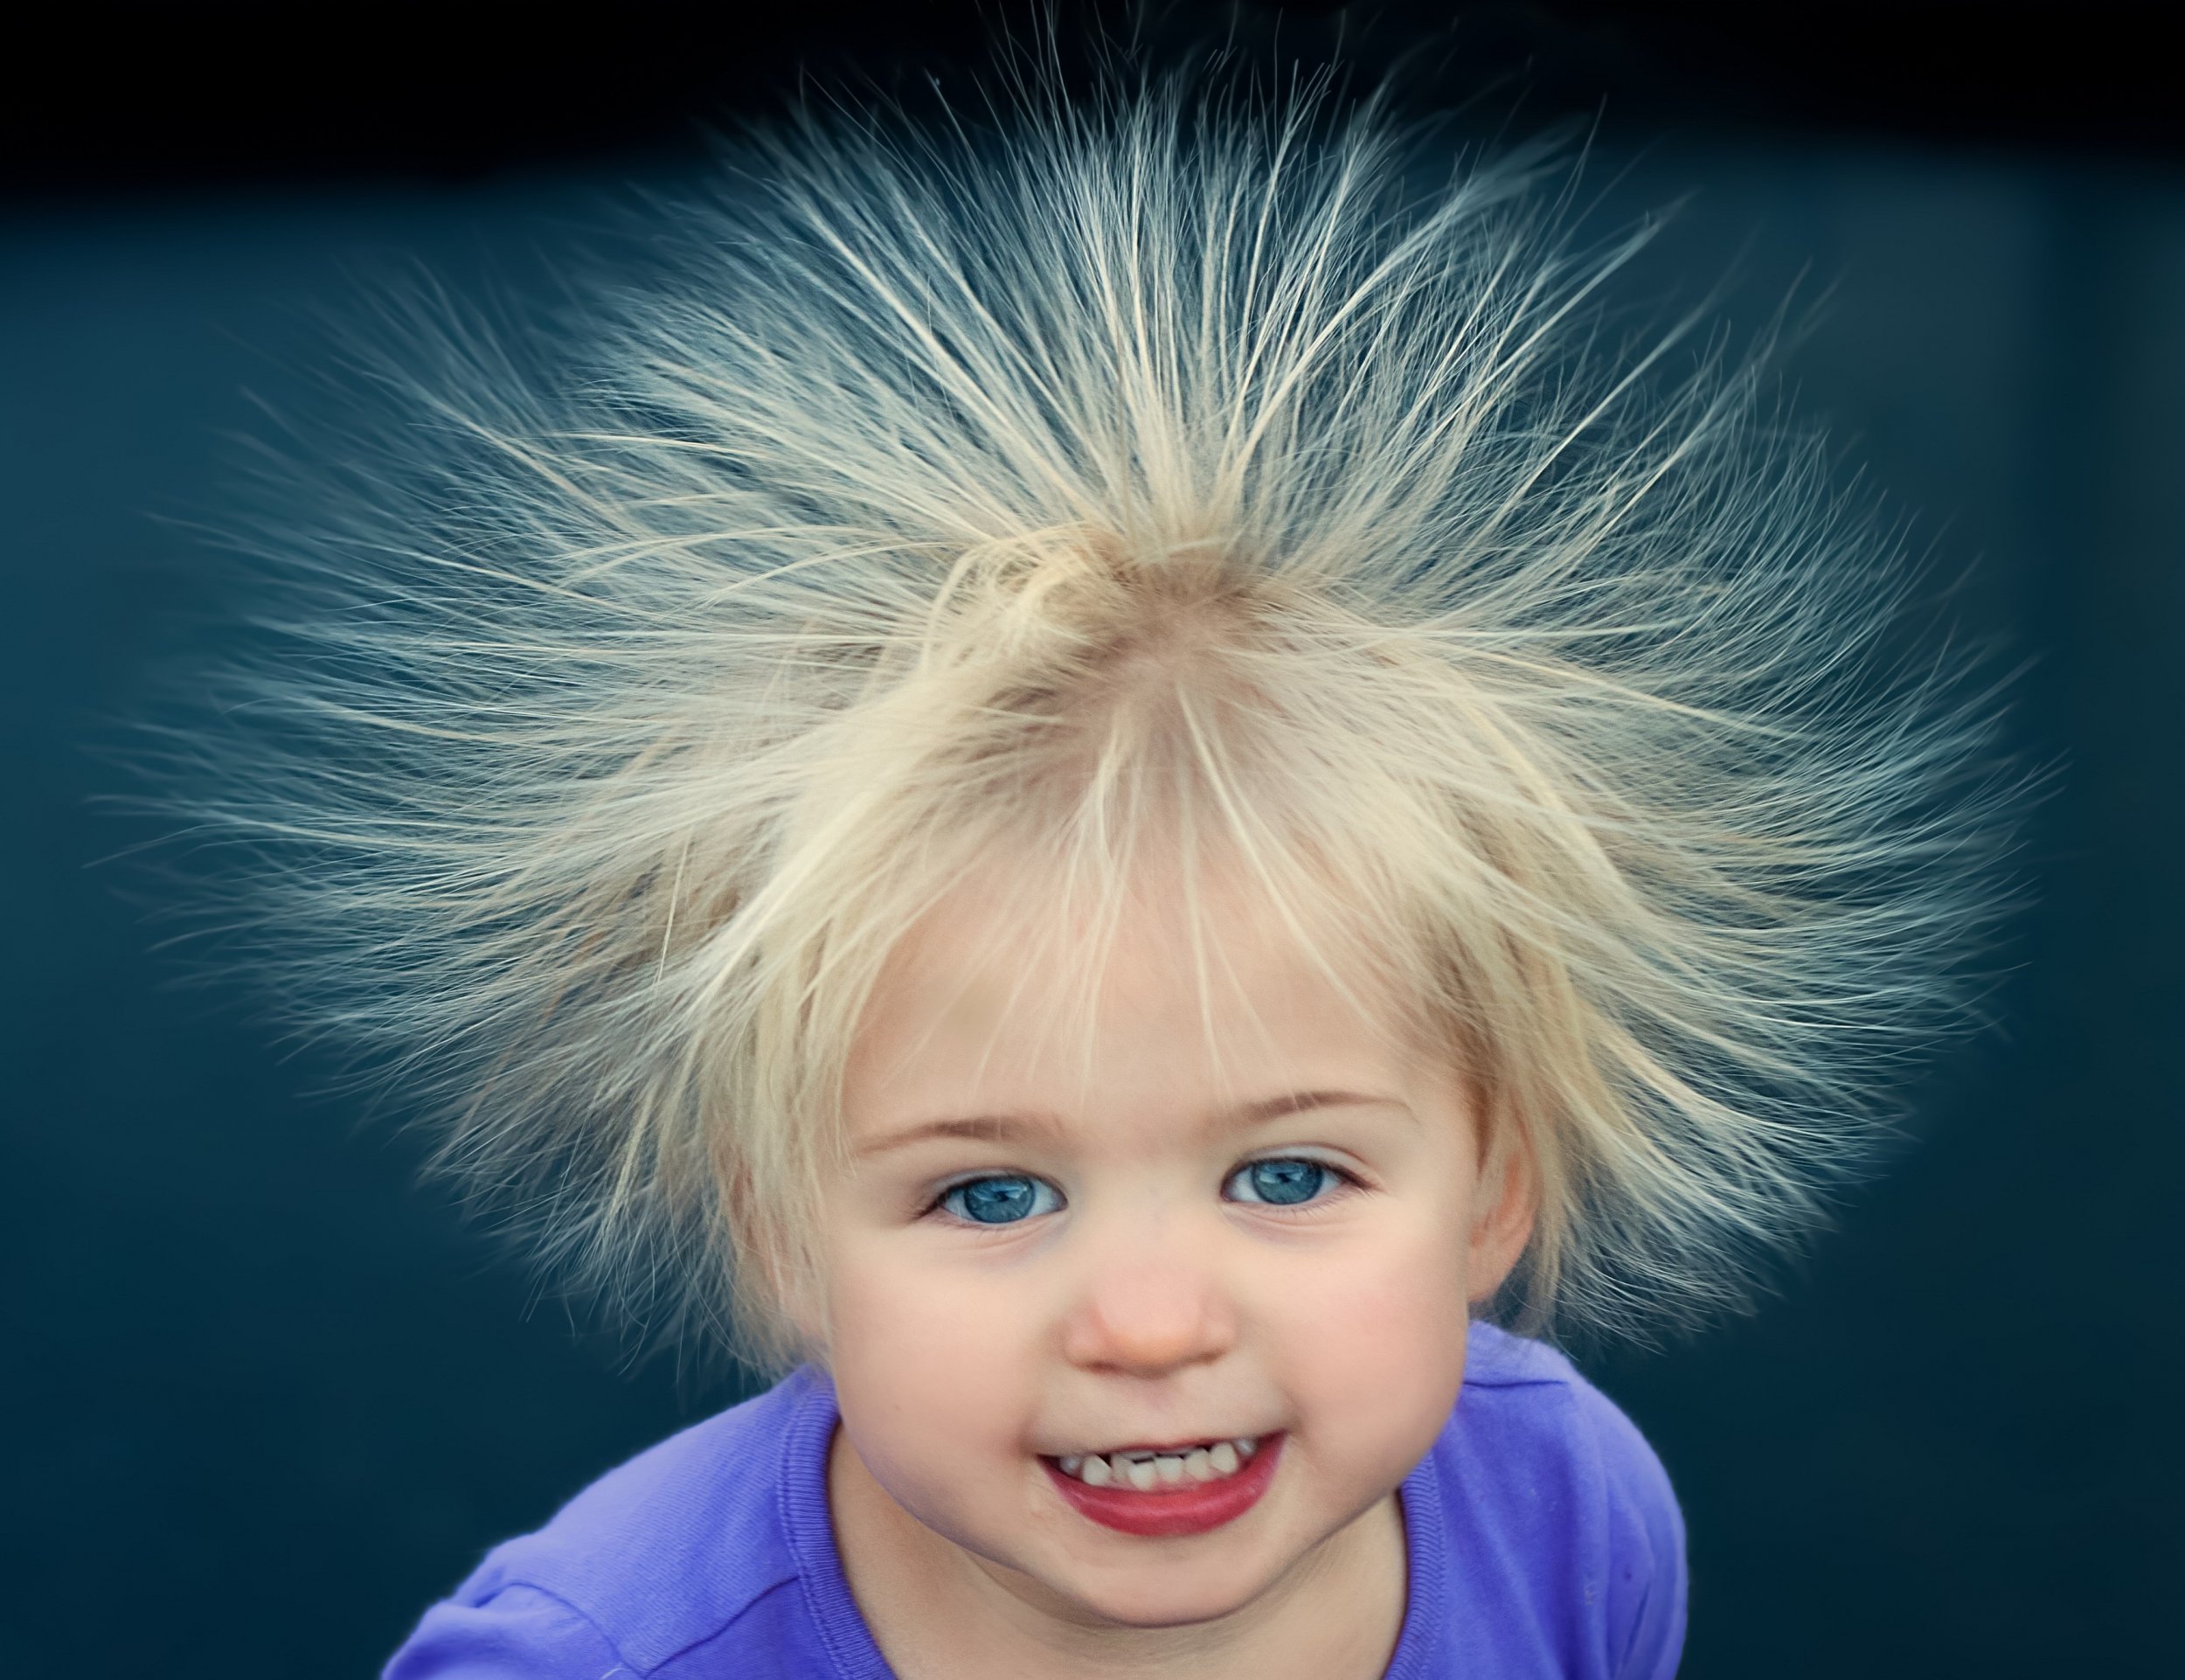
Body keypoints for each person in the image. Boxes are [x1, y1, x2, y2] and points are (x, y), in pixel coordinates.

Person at [184, 65, 2008, 1680]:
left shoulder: (1561, 1514)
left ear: (1491, 1184)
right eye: (987, 1196)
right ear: (775, 1231)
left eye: (1286, 1170)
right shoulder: (598, 1659)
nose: (1147, 1322)